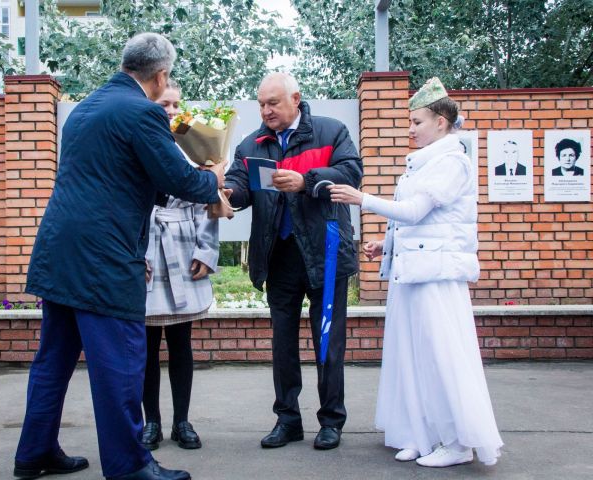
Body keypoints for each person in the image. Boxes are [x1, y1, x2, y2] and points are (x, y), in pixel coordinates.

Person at [14, 33, 226, 480]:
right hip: (102, 261)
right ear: (161, 74)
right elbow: (180, 180)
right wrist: (214, 179)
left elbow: (125, 177)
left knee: (52, 360)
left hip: (58, 252)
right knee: (120, 366)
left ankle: (34, 452)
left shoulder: (86, 109)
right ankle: (130, 467)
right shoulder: (143, 112)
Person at [328, 77, 503, 467]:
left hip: (436, 276)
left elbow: (414, 212)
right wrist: (385, 246)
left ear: (441, 122)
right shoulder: (425, 163)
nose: (410, 129)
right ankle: (420, 435)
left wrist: (362, 199)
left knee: (441, 358)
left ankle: (458, 443)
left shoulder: (451, 162)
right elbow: (413, 225)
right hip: (414, 271)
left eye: (418, 122)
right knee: (410, 357)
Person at [224, 72, 363, 451]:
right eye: (261, 104)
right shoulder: (251, 144)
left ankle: (331, 421)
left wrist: (306, 181)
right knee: (282, 343)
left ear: (295, 99)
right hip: (278, 255)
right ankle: (287, 420)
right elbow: (239, 189)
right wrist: (221, 191)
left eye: (273, 103)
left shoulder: (331, 132)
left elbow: (351, 172)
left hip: (325, 253)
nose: (266, 110)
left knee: (327, 343)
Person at [141, 80, 219, 451]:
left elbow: (209, 202)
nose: (170, 111)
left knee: (182, 344)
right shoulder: (139, 140)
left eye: (175, 105)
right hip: (147, 252)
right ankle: (151, 423)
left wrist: (206, 251)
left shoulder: (195, 147)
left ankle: (182, 422)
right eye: (163, 104)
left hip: (185, 247)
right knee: (146, 346)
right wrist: (133, 255)